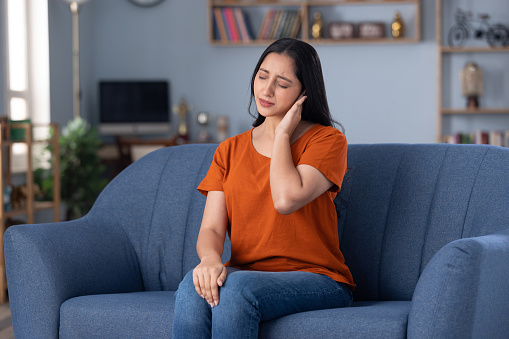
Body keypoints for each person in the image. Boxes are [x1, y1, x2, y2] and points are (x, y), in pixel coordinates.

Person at [173, 38, 355, 338]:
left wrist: (282, 134)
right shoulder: (229, 150)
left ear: (304, 93)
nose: (266, 90)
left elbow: (286, 198)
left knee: (237, 290)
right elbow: (212, 230)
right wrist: (209, 260)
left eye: (282, 83)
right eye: (262, 76)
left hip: (319, 278)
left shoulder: (327, 141)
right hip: (248, 275)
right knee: (191, 288)